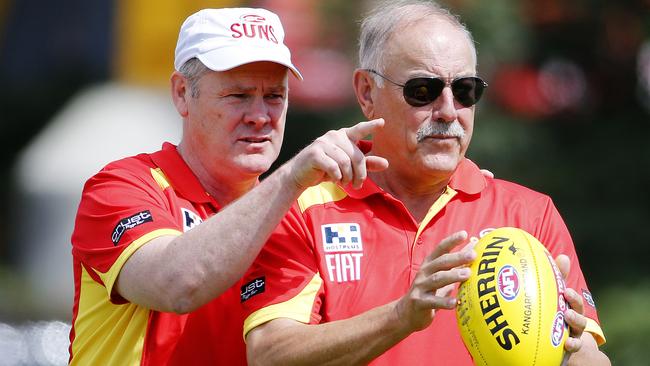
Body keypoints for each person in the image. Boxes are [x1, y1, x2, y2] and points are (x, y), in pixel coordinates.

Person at [241, 1, 611, 365]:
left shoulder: (529, 214)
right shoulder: (306, 206)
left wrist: (571, 352)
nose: (449, 110)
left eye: (465, 90)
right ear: (367, 93)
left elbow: (594, 359)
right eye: (423, 90)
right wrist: (400, 317)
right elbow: (270, 353)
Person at [67, 7, 390, 365]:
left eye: (274, 96)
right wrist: (291, 176)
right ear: (181, 93)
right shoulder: (121, 187)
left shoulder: (299, 217)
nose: (260, 116)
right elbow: (176, 285)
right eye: (237, 96)